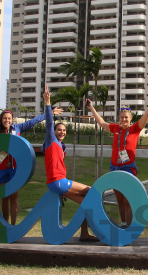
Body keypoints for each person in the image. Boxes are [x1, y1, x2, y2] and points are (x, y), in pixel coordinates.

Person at [86, 81, 148, 228]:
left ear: (130, 118)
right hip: (114, 168)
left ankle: (129, 226)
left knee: (127, 200)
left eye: (126, 117)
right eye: (122, 117)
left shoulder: (135, 129)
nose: (124, 119)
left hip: (128, 169)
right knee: (119, 200)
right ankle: (124, 224)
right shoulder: (115, 128)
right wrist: (91, 108)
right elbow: (101, 122)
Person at [41, 85, 96, 241]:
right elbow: (49, 124)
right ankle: (94, 226)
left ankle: (84, 234)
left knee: (86, 202)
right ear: (54, 132)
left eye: (64, 130)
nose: (62, 132)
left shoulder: (60, 146)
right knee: (91, 190)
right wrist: (48, 103)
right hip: (58, 182)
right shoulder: (51, 141)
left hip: (59, 182)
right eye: (59, 130)